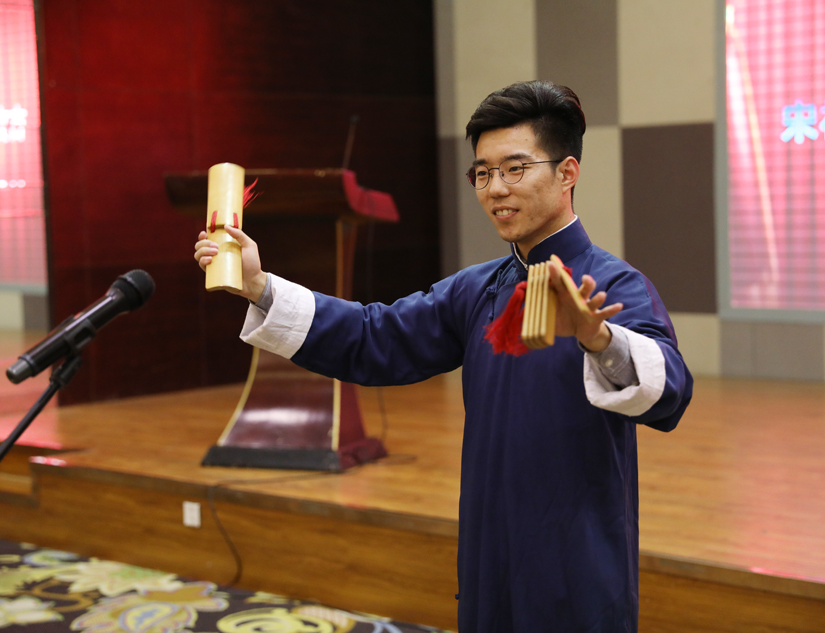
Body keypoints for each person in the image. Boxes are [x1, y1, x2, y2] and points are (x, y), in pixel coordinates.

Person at [195, 81, 692, 633]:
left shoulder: (615, 284)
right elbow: (374, 337)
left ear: (567, 172)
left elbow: (671, 389)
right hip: (489, 542)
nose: (495, 189)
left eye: (515, 169)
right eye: (482, 173)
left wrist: (600, 339)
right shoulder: (476, 289)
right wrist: (260, 286)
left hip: (577, 548)